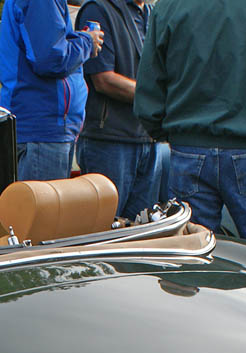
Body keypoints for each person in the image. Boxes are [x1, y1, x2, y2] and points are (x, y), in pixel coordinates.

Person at [134, 0, 246, 247]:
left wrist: (166, 132)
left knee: (192, 250)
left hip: (190, 147)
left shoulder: (169, 6)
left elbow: (149, 84)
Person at [74, 0, 166, 219]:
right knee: (104, 227)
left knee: (142, 230)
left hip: (149, 139)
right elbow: (103, 80)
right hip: (110, 141)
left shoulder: (151, 12)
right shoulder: (98, 8)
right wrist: (155, 97)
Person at [0, 0, 103, 181]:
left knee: (46, 199)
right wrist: (88, 41)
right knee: (44, 200)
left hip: (47, 129)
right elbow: (52, 60)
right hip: (42, 129)